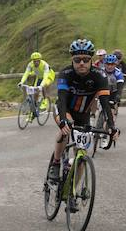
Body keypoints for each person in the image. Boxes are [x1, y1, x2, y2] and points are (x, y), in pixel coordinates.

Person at [49, 39, 118, 183]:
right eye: (77, 59)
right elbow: (61, 100)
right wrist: (63, 120)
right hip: (65, 109)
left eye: (86, 59)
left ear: (91, 60)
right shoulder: (65, 73)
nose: (82, 63)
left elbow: (105, 104)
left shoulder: (100, 75)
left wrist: (111, 127)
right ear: (72, 60)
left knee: (81, 155)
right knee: (66, 129)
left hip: (83, 114)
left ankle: (72, 193)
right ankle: (55, 163)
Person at [100, 53, 125, 125]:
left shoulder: (118, 73)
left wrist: (118, 95)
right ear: (104, 64)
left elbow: (120, 86)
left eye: (112, 64)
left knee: (111, 108)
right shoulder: (100, 71)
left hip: (113, 92)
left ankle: (112, 122)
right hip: (103, 91)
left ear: (115, 64)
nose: (109, 66)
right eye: (107, 64)